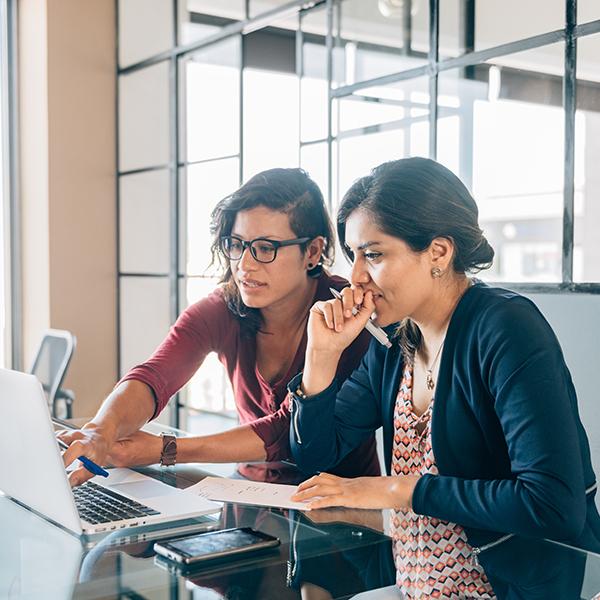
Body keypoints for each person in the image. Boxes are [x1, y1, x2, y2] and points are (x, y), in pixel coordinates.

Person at [287, 158, 600, 599]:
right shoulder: (397, 341)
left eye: (373, 255)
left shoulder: (506, 328)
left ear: (438, 252)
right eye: (354, 255)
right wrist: (320, 358)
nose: (355, 277)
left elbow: (552, 504)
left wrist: (399, 489)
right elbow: (315, 454)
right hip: (414, 588)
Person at [60, 167, 378, 486]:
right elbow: (155, 375)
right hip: (249, 494)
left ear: (312, 251)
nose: (245, 265)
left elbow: (285, 432)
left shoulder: (347, 315)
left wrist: (166, 449)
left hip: (340, 512)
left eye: (265, 248)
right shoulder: (225, 307)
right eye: (236, 244)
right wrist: (100, 431)